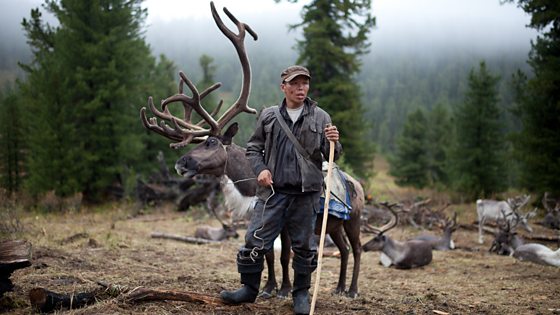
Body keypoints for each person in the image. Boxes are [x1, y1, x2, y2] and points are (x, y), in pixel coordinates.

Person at [220, 65, 341, 314]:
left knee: (305, 246)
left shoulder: (322, 117)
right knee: (255, 240)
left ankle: (300, 295)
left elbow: (333, 155)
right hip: (273, 193)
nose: (301, 88)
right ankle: (249, 289)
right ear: (283, 86)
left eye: (304, 83)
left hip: (306, 194)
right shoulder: (269, 116)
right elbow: (253, 148)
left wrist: (334, 142)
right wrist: (261, 169)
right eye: (295, 83)